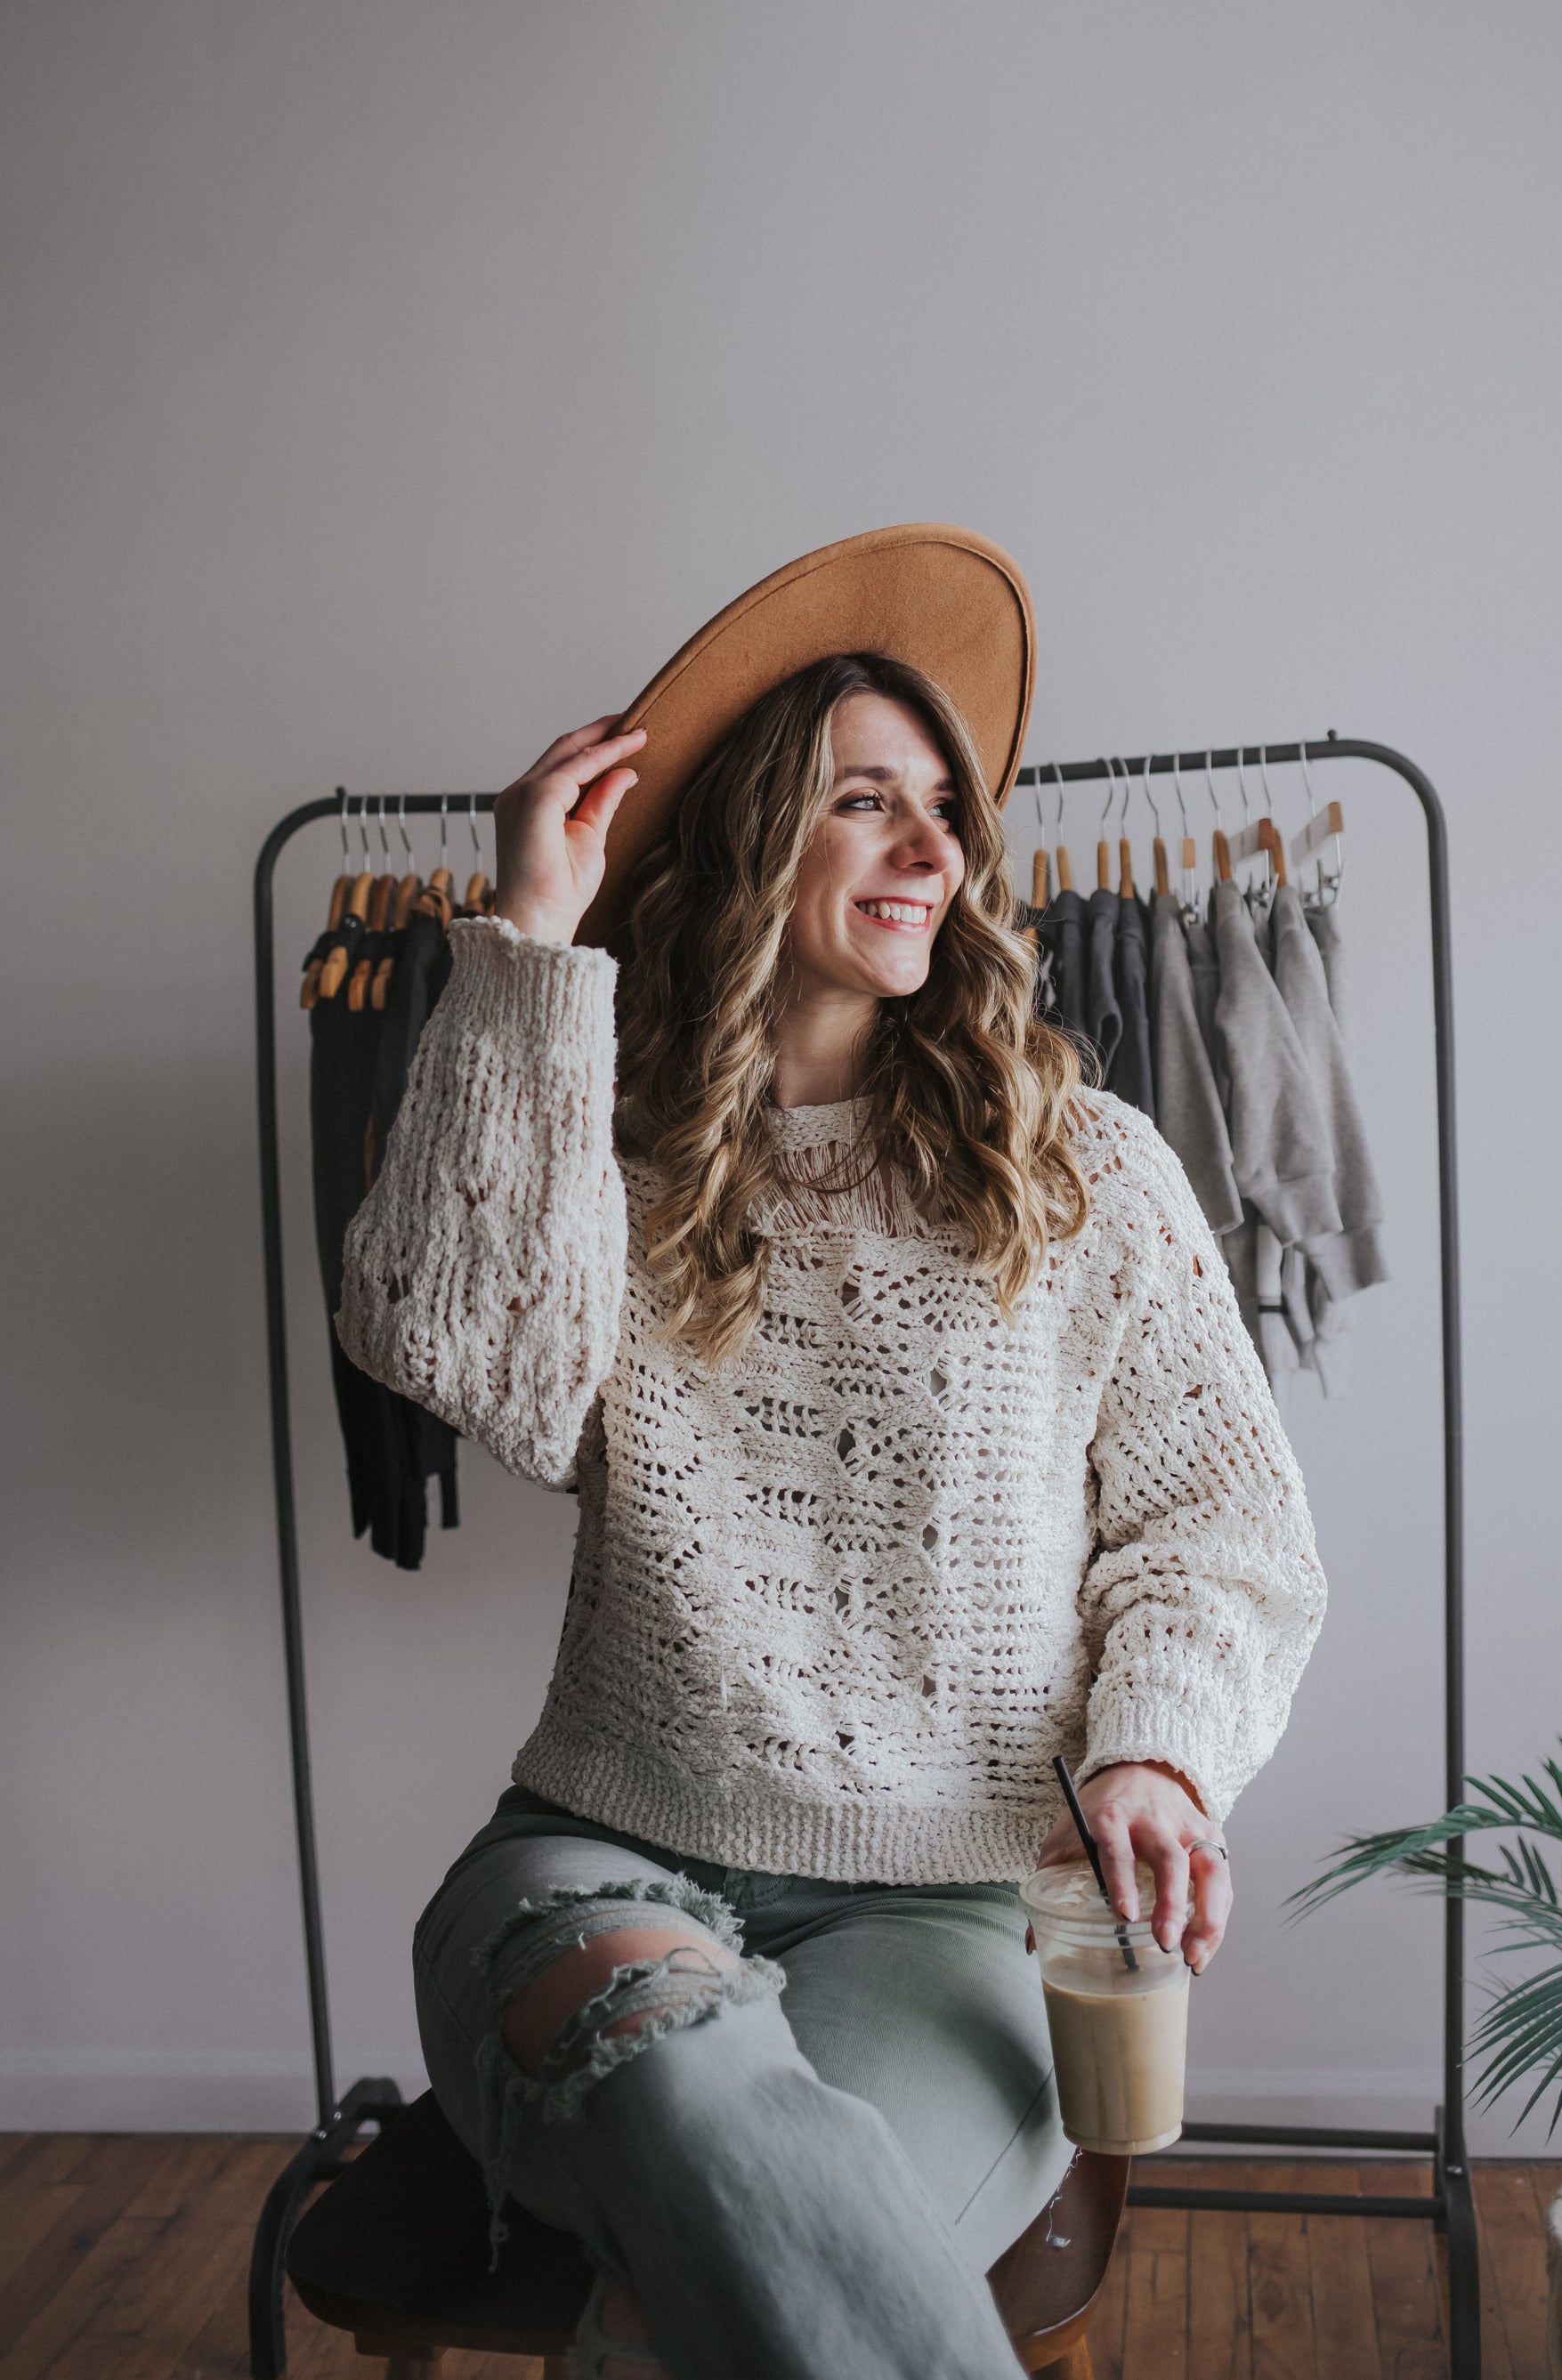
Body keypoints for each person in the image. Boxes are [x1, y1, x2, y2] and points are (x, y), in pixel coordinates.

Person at [336, 535, 1326, 2380]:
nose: (937, 851)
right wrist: (532, 952)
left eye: (944, 808)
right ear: (751, 837)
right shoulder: (604, 1154)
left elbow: (1222, 1524)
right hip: (594, 1862)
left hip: (950, 1904)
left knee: (694, 2309)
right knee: (701, 2108)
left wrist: (1163, 1749)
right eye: (868, 801)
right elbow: (446, 1342)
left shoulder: (1083, 1170)